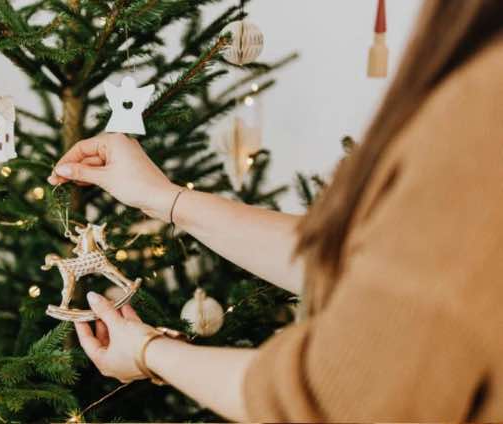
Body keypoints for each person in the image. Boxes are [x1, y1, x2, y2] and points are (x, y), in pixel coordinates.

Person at [47, 1, 503, 421]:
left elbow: (331, 397)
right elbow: (354, 267)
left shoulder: (481, 104)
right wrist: (162, 198)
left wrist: (150, 351)